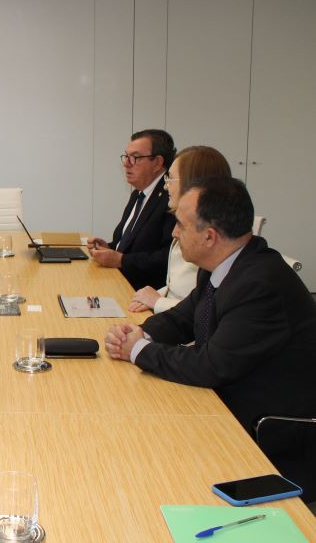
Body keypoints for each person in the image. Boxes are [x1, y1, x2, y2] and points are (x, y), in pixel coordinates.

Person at [105, 178, 316, 501]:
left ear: (209, 236)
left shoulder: (260, 284)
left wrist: (138, 351)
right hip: (225, 405)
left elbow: (211, 366)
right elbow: (184, 317)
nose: (174, 233)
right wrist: (141, 333)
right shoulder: (222, 265)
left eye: (180, 225)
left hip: (268, 433)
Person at [128, 146, 232, 313]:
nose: (165, 187)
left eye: (170, 179)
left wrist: (158, 302)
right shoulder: (189, 224)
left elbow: (203, 311)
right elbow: (178, 289)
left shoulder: (209, 238)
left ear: (194, 182)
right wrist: (152, 297)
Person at [88, 129, 176, 290]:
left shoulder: (170, 199)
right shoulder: (138, 194)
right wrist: (109, 248)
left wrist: (121, 260)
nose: (126, 163)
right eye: (126, 156)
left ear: (157, 162)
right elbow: (129, 246)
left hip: (143, 291)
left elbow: (169, 257)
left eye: (135, 157)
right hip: (118, 281)